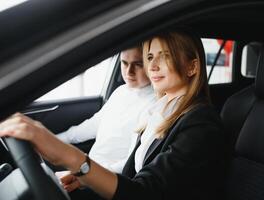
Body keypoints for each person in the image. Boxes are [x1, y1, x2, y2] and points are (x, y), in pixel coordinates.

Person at [0, 29, 225, 200]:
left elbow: (144, 193)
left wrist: (71, 158)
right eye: (149, 57)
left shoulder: (201, 124)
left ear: (192, 67)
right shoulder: (159, 110)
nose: (153, 66)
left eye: (164, 56)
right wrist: (85, 179)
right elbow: (133, 171)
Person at [56, 46, 155, 175]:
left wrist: (86, 173)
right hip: (90, 167)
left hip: (108, 179)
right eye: (124, 63)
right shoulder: (120, 91)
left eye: (138, 64)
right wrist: (55, 140)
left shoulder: (153, 105)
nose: (129, 71)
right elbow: (94, 125)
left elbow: (131, 162)